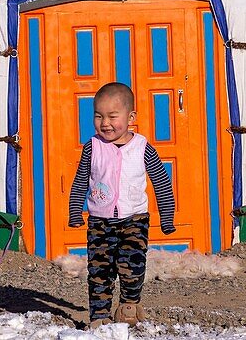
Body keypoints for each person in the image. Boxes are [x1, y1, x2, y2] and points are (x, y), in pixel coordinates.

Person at [68, 81, 176, 327]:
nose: (105, 123)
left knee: (132, 266)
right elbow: (80, 180)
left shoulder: (143, 148)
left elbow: (161, 182)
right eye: (98, 116)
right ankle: (99, 316)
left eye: (112, 116)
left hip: (134, 220)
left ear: (131, 117)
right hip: (99, 221)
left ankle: (129, 304)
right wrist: (75, 211)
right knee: (99, 272)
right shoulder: (92, 147)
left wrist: (167, 218)